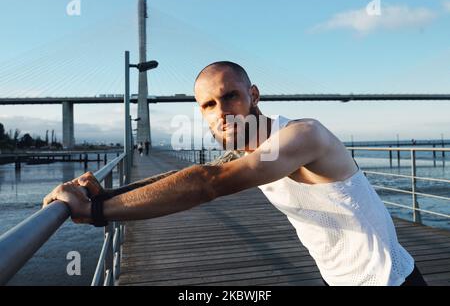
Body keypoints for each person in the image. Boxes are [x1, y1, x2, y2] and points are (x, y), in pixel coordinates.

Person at [43, 61, 427, 286]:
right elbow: (200, 171)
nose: (222, 111)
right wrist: (102, 195)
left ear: (254, 95)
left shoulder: (303, 135)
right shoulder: (247, 150)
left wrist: (93, 213)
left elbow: (207, 184)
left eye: (230, 96)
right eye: (209, 104)